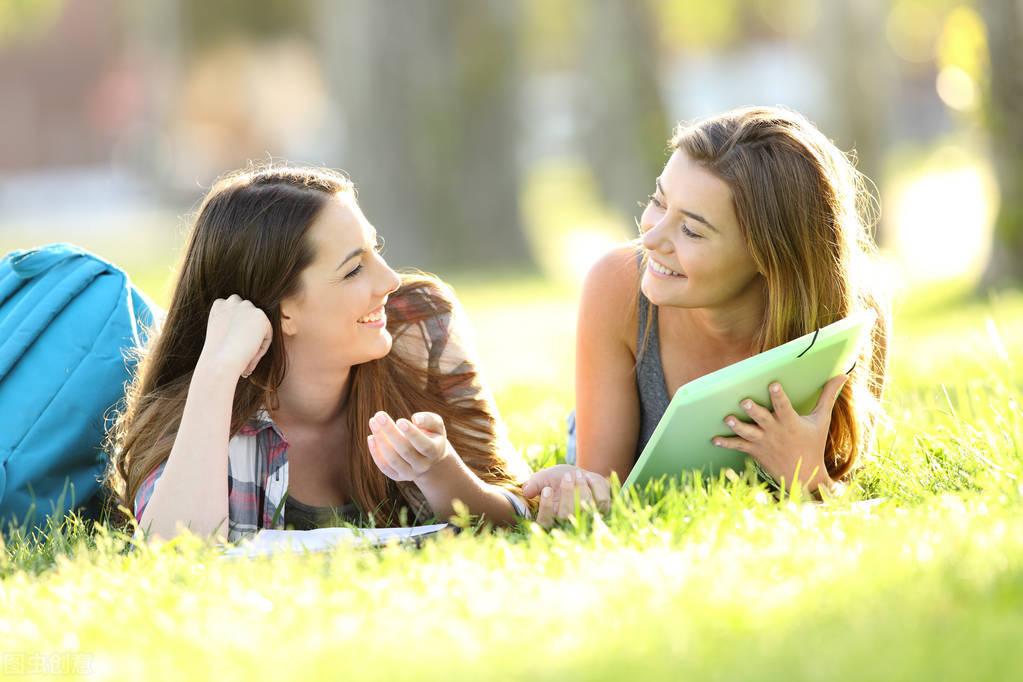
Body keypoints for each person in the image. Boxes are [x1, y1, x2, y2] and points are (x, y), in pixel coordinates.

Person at [105, 166, 530, 542]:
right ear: (282, 309)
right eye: (353, 269)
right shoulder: (208, 409)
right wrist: (216, 375)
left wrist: (440, 470)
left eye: (375, 251)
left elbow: (519, 512)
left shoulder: (417, 327)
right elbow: (176, 555)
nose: (389, 281)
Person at [523, 106, 890, 526]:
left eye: (692, 231)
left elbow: (843, 502)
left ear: (768, 257)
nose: (652, 236)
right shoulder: (616, 285)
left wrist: (807, 481)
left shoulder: (849, 311)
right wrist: (582, 493)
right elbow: (604, 497)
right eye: (659, 202)